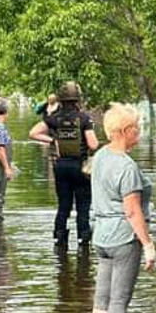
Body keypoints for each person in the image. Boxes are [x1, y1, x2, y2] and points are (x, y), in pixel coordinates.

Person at [90, 103, 156, 313]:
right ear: (126, 131)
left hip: (102, 236)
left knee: (101, 300)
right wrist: (148, 245)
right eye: (137, 129)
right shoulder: (127, 167)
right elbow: (132, 211)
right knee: (118, 302)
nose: (139, 133)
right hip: (123, 239)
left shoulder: (100, 157)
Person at [29, 81, 100, 246]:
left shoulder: (54, 118)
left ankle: (59, 239)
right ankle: (83, 239)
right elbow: (93, 144)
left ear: (61, 99)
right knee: (83, 206)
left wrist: (54, 140)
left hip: (60, 167)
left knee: (63, 206)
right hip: (80, 168)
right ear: (78, 100)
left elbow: (33, 133)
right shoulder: (83, 119)